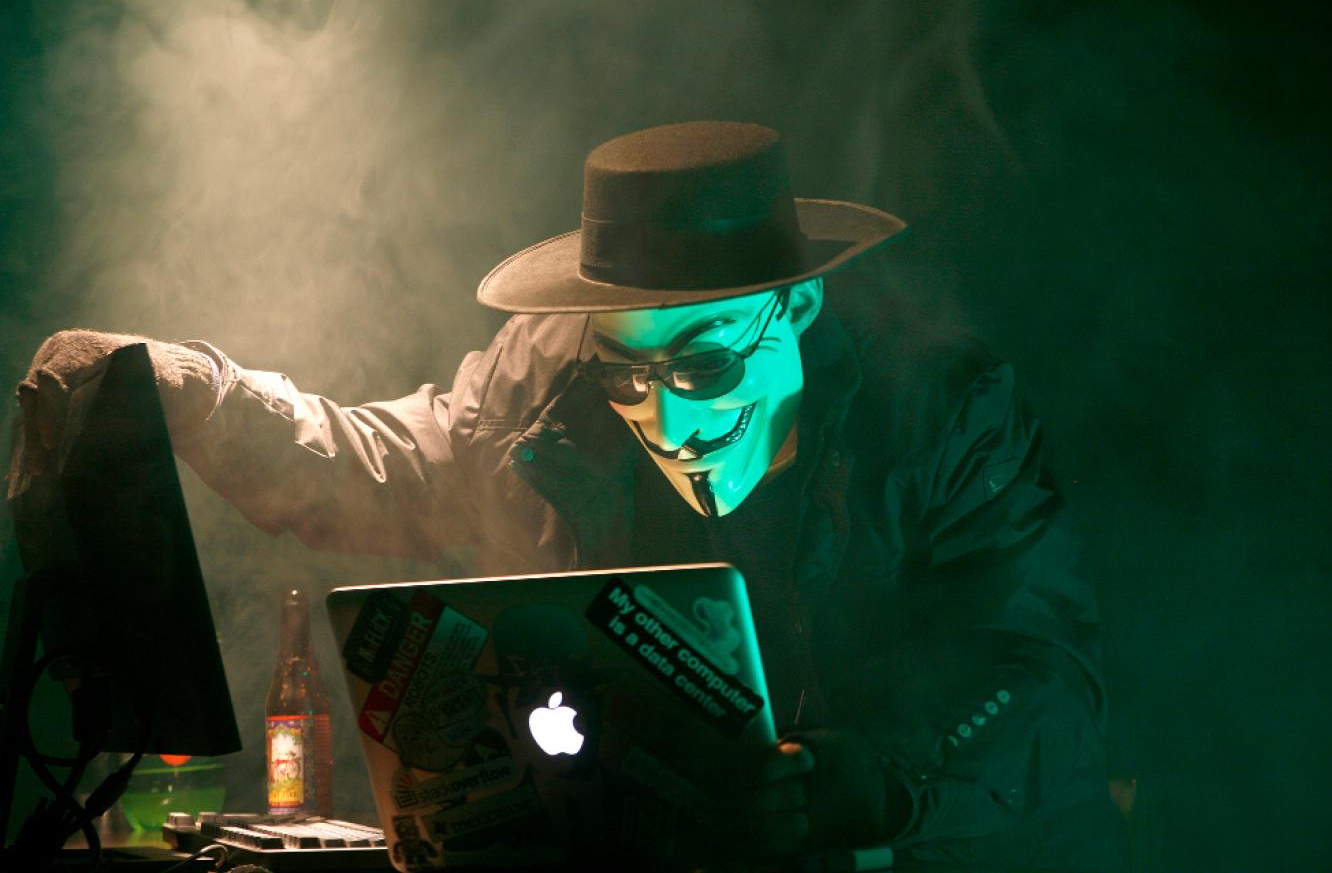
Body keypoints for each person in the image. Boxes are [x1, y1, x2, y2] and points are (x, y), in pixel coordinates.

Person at [11, 121, 1127, 868]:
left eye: (703, 366)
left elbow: (1044, 674)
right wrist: (201, 394)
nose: (667, 422)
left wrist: (879, 779)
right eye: (626, 374)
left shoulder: (938, 409)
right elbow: (378, 466)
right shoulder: (546, 379)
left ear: (794, 309)